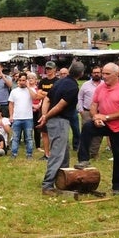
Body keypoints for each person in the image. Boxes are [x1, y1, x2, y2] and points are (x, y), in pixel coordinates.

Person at [76, 63, 119, 195]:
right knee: (88, 127)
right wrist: (96, 117)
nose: (104, 76)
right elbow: (93, 105)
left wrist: (106, 117)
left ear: (116, 74)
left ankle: (118, 187)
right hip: (104, 122)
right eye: (103, 73)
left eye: (107, 74)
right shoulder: (101, 88)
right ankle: (83, 159)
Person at [38, 62, 84, 196]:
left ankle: (64, 181)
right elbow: (59, 106)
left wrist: (44, 114)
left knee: (64, 154)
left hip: (56, 120)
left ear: (69, 70)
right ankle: (47, 186)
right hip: (59, 120)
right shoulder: (73, 87)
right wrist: (46, 116)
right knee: (57, 154)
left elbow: (47, 99)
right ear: (81, 74)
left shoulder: (60, 82)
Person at [8, 73, 40, 160]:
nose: (22, 82)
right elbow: (11, 104)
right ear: (18, 81)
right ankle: (14, 154)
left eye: (24, 80)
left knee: (29, 138)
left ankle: (29, 154)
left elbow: (35, 97)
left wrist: (28, 87)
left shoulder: (31, 90)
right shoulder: (14, 91)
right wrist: (11, 115)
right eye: (20, 80)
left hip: (28, 118)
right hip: (17, 118)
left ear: (26, 81)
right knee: (15, 138)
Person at [77, 66, 103, 159]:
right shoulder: (85, 85)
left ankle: (94, 153)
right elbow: (80, 97)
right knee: (86, 133)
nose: (96, 74)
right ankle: (84, 152)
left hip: (101, 113)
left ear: (101, 73)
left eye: (98, 72)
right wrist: (81, 110)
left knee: (99, 134)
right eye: (94, 72)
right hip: (87, 112)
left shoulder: (104, 85)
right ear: (91, 73)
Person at [37, 61, 59, 161]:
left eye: (50, 68)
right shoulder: (42, 81)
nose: (48, 70)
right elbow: (38, 94)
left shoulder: (57, 81)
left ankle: (55, 154)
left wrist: (44, 93)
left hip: (54, 109)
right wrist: (49, 94)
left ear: (55, 69)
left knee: (54, 133)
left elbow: (56, 95)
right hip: (43, 109)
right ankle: (46, 154)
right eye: (47, 68)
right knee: (44, 132)